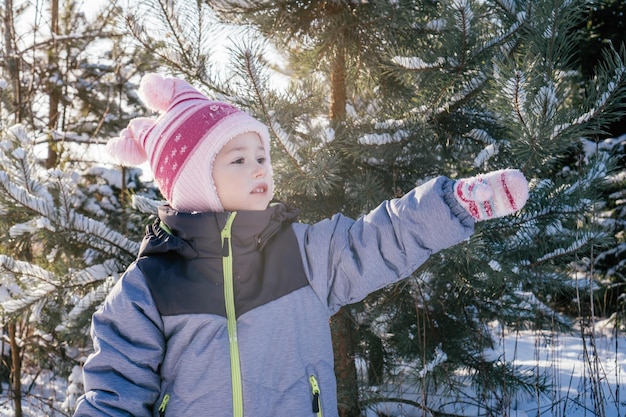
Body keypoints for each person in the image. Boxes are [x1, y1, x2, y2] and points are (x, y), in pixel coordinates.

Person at [73, 73, 529, 417]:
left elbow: (377, 240)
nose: (259, 169)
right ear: (193, 182)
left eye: (262, 157)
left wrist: (453, 205)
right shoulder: (149, 286)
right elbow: (116, 387)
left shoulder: (302, 252)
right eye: (238, 159)